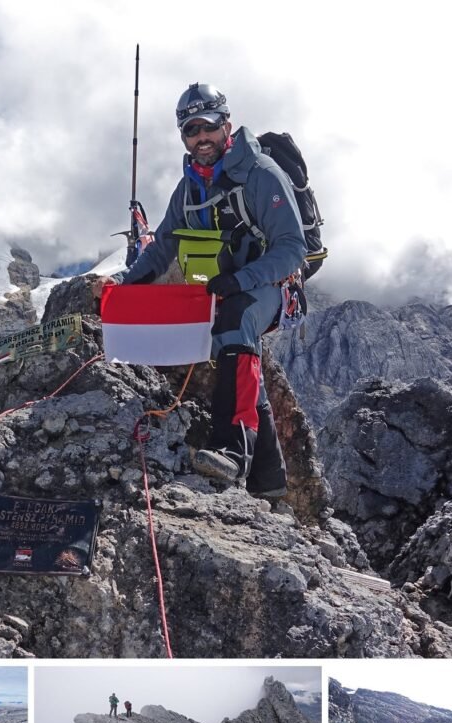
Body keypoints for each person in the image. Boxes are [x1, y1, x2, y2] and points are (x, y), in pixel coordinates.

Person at [91, 82, 307, 498]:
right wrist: (122, 283)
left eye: (208, 126)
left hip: (269, 286)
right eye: (192, 130)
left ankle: (232, 451)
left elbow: (292, 249)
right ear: (183, 136)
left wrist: (241, 280)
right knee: (238, 355)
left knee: (235, 324)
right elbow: (162, 248)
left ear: (226, 125)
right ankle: (270, 483)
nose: (201, 137)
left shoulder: (261, 175)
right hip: (223, 287)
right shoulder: (188, 187)